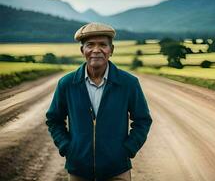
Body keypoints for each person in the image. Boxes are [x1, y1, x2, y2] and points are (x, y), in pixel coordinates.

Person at [46, 22, 152, 181]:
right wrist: (68, 147)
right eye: (90, 45)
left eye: (103, 44)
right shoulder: (67, 84)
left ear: (111, 50)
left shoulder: (129, 83)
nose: (96, 50)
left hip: (117, 170)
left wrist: (127, 150)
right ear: (82, 50)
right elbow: (54, 120)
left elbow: (143, 120)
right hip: (78, 171)